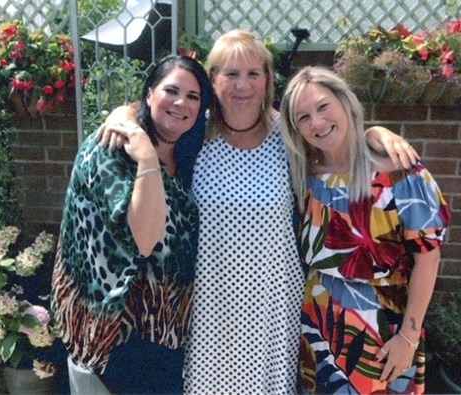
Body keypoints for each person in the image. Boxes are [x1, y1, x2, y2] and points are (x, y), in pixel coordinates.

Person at [99, 29, 418, 394]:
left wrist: (375, 133)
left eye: (254, 74)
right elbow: (151, 118)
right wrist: (120, 113)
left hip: (274, 304)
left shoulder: (290, 135)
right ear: (212, 80)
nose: (242, 86)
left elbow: (336, 143)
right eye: (230, 74)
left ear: (268, 80)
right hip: (206, 305)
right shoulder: (193, 133)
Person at [279, 66, 452, 394]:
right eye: (303, 117)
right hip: (318, 325)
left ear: (345, 101)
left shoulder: (397, 167)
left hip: (383, 328)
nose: (316, 122)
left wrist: (408, 337)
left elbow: (428, 258)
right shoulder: (305, 176)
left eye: (323, 106)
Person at [51, 55, 212, 395]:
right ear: (149, 94)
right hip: (113, 333)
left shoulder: (188, 152)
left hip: (164, 333)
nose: (182, 103)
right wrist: (147, 159)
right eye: (171, 90)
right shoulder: (111, 148)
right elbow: (145, 238)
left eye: (194, 96)